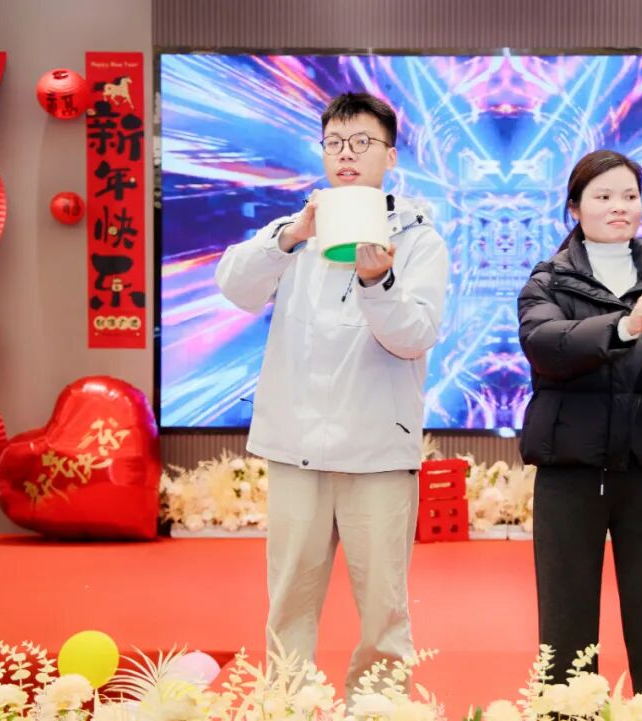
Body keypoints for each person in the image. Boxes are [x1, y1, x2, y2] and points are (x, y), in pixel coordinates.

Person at [214, 92, 449, 696]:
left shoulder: (417, 240)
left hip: (378, 453)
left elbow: (413, 336)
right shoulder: (297, 229)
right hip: (296, 447)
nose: (347, 155)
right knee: (288, 605)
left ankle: (378, 710)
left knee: (384, 613)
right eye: (335, 143)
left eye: (362, 143)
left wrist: (378, 280)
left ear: (390, 156)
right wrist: (290, 236)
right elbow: (235, 287)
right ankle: (288, 706)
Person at [517, 149, 642, 696]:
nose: (619, 207)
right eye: (603, 196)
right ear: (574, 207)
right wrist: (626, 326)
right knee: (565, 631)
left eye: (629, 196)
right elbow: (545, 346)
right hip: (570, 475)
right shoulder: (548, 281)